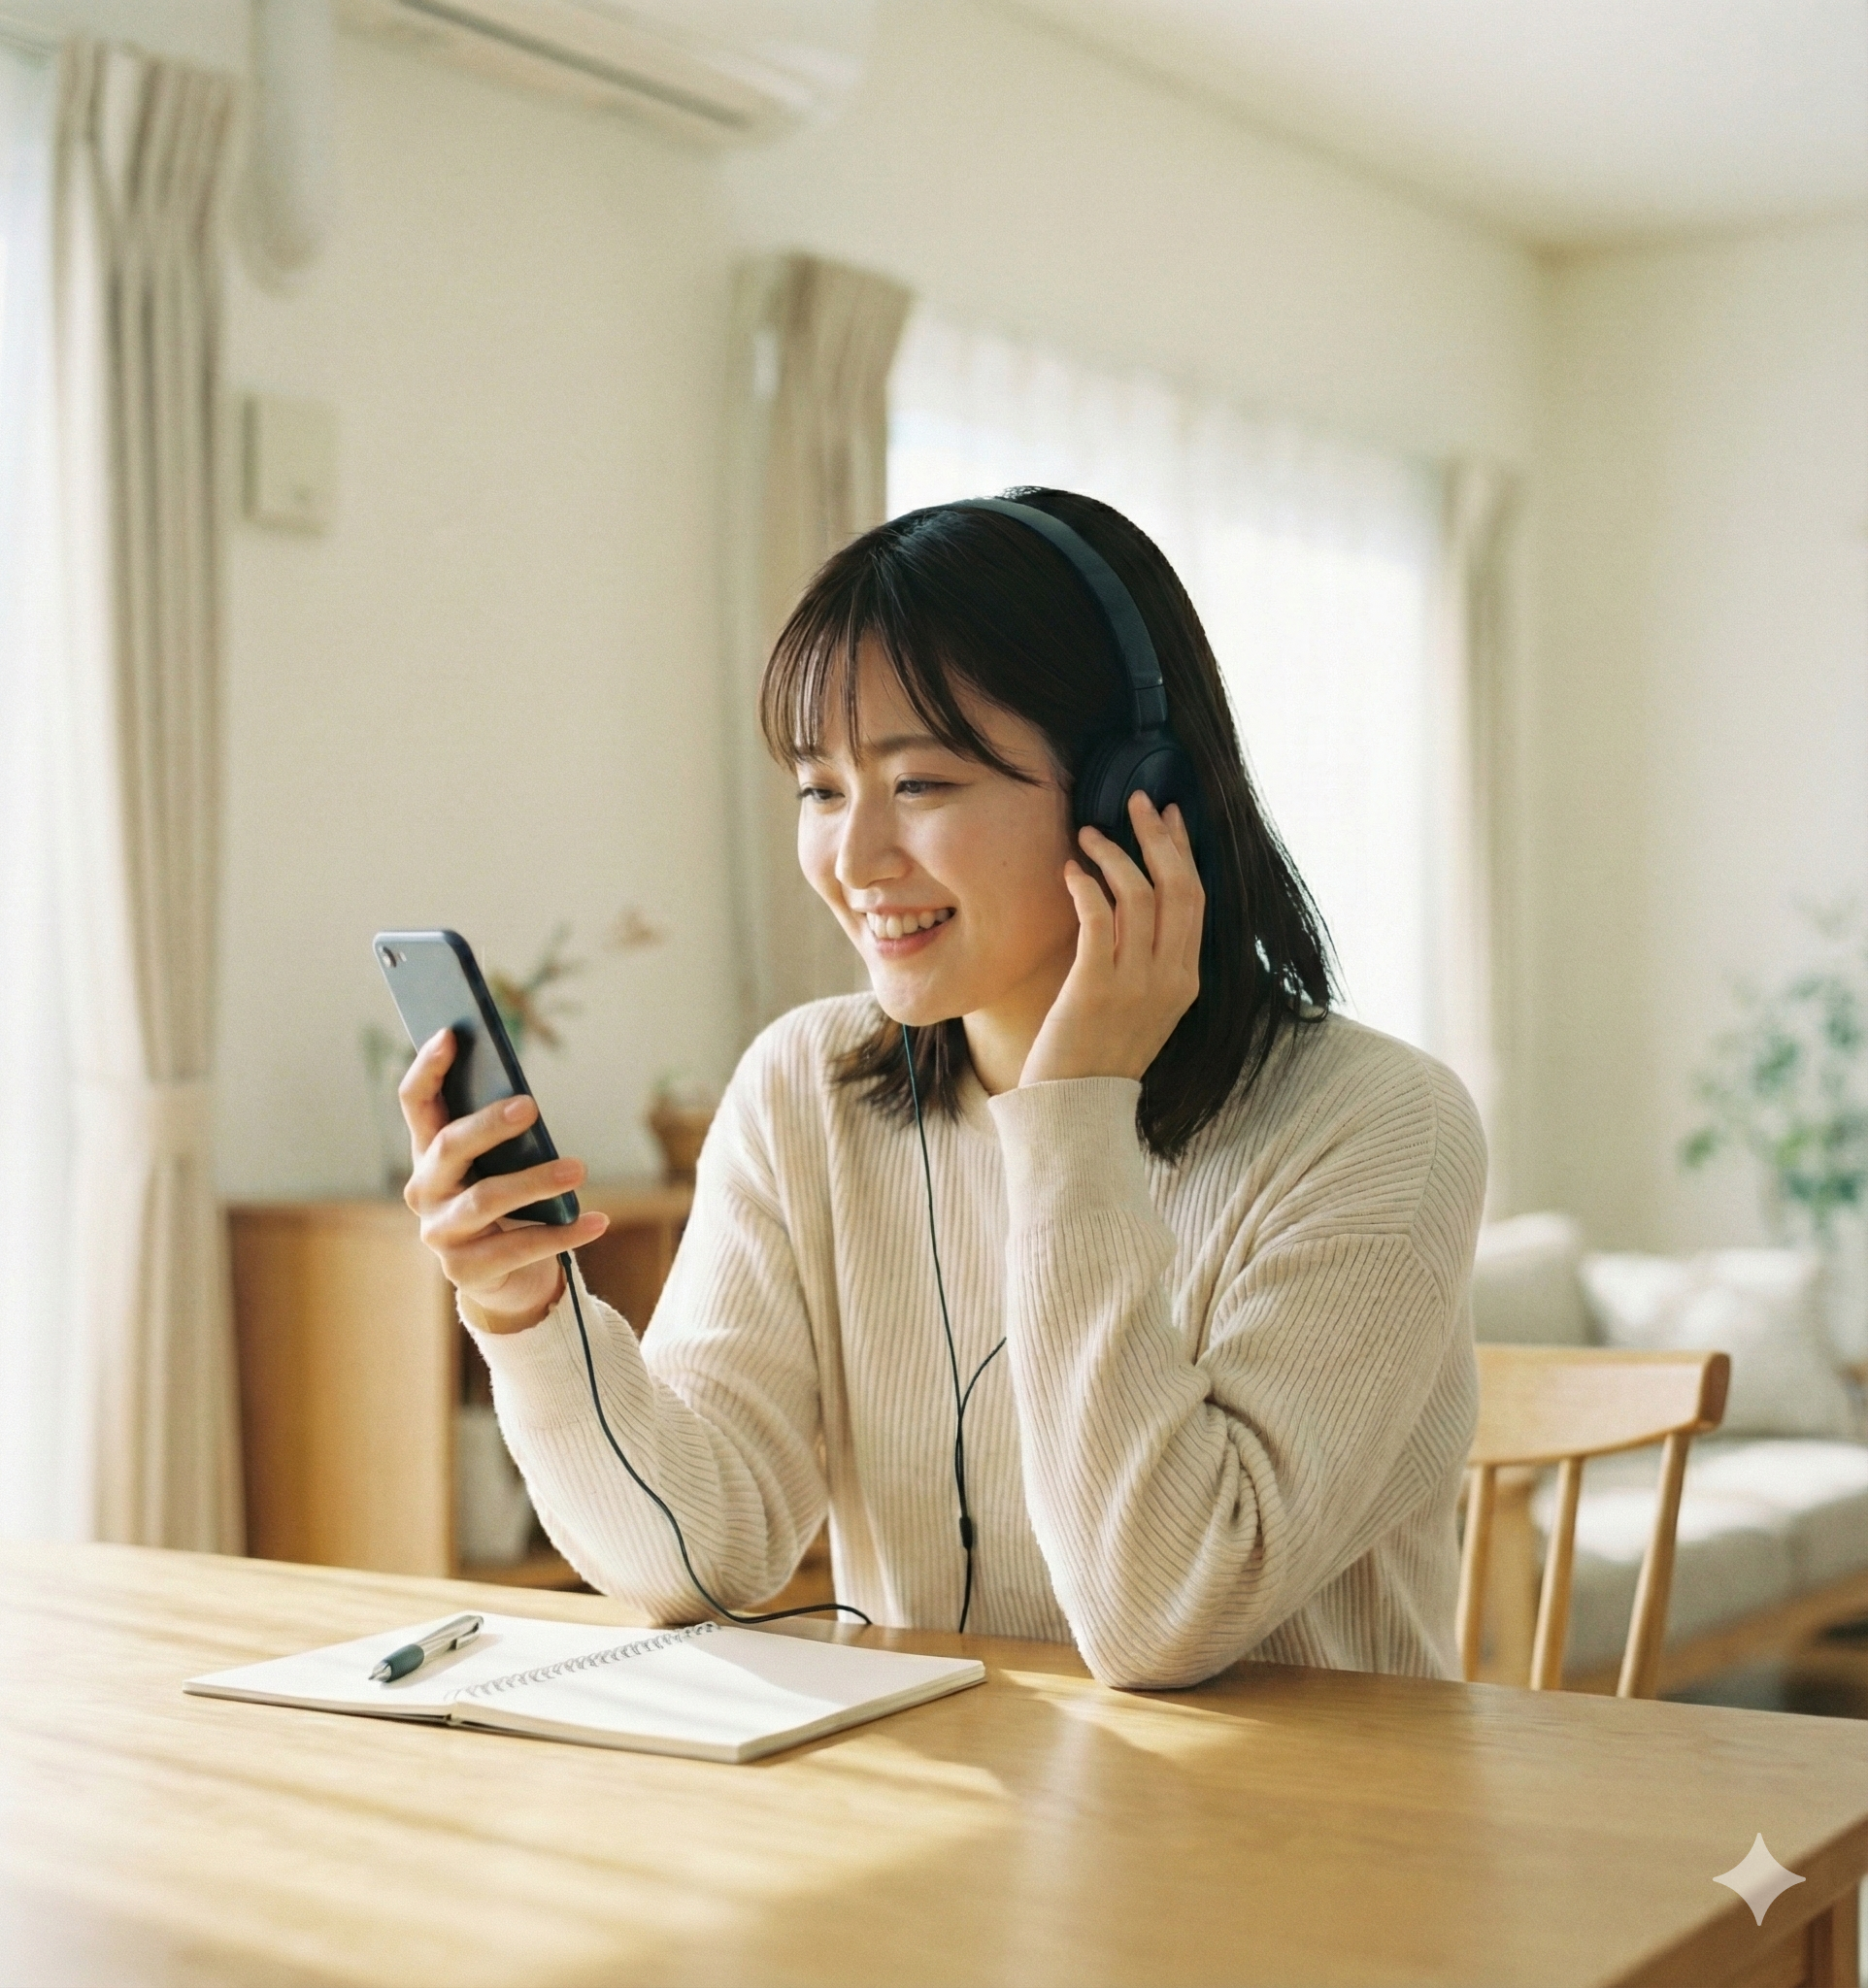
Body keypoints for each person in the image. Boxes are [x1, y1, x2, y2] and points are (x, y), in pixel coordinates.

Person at [397, 488, 1484, 1690]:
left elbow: (1158, 1614)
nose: (853, 861)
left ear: (1129, 792)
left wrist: (1074, 1108)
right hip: (960, 1827)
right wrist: (525, 1317)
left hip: (1317, 1845)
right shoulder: (803, 1091)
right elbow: (699, 1557)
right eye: (819, 788)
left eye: (917, 784)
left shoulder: (1381, 1125)